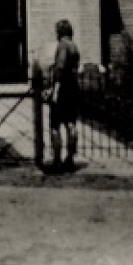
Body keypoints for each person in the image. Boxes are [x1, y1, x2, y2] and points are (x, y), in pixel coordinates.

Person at [45, 18, 80, 173]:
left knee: (55, 125)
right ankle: (70, 158)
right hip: (73, 88)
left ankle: (57, 160)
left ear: (59, 32)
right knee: (71, 124)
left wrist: (55, 90)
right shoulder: (74, 46)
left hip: (63, 88)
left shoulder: (62, 46)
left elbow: (59, 68)